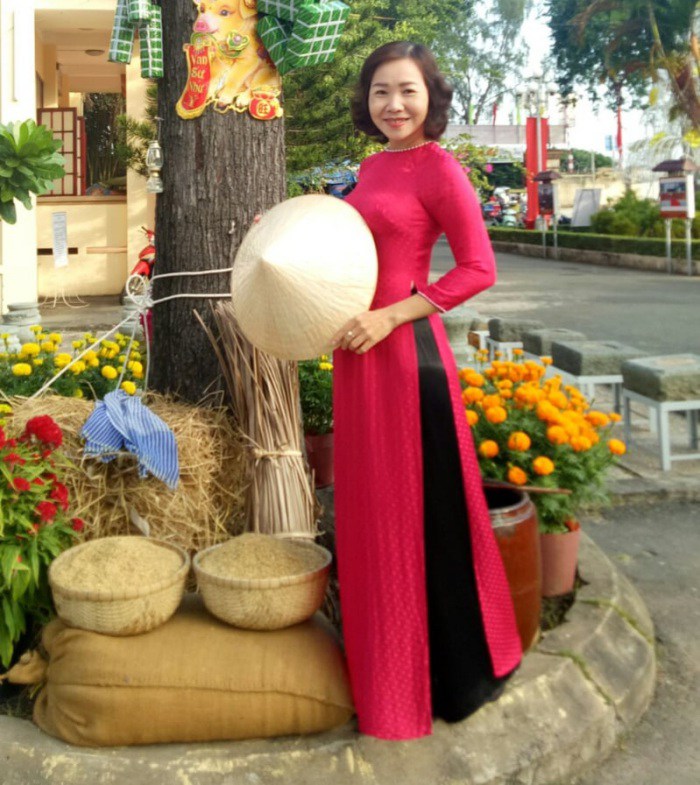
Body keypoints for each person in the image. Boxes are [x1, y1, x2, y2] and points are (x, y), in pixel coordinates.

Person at [329, 41, 522, 741]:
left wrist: (391, 315)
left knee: (419, 514)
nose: (394, 104)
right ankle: (383, 670)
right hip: (358, 354)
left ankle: (449, 678)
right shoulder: (371, 167)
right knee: (370, 511)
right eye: (381, 91)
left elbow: (478, 268)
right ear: (367, 99)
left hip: (406, 355)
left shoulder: (439, 166)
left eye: (407, 90)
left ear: (430, 96)